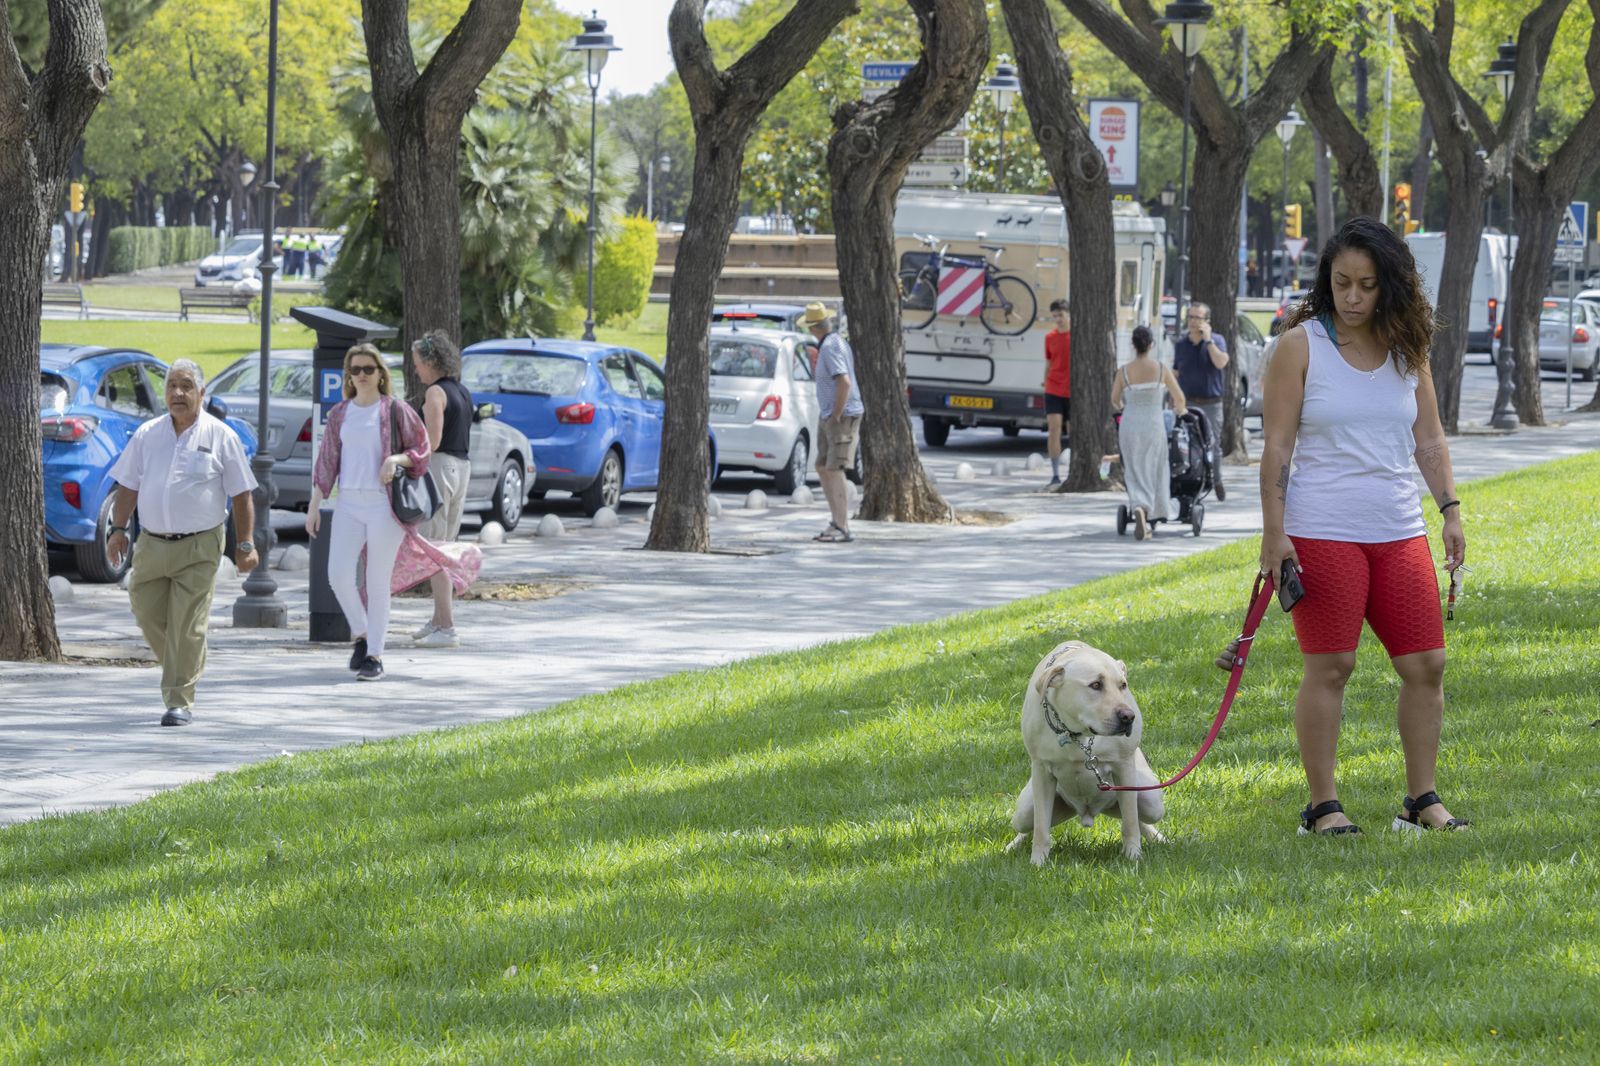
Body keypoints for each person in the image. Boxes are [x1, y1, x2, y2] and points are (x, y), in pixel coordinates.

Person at [1256, 215, 1468, 836]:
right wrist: (1275, 534)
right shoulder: (1300, 346)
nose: (1352, 297)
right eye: (1341, 282)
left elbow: (1427, 436)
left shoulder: (1409, 346)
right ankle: (1323, 805)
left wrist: (1450, 510)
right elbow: (1276, 450)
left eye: (1367, 285)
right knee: (1333, 666)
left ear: (1390, 286)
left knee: (1426, 663)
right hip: (1322, 529)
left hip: (1399, 528)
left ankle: (1419, 801)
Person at [106, 359, 259, 726]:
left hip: (200, 546)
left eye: (187, 385)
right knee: (145, 609)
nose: (178, 392)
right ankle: (183, 661)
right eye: (172, 385)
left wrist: (245, 544)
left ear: (202, 393)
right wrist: (118, 529)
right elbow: (128, 485)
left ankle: (179, 700)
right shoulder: (147, 434)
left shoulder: (222, 436)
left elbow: (241, 495)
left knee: (187, 627)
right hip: (152, 545)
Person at [305, 343, 431, 681]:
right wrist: (315, 506)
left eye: (368, 369)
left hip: (382, 504)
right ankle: (361, 633)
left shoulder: (394, 409)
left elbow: (421, 448)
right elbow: (327, 462)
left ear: (380, 374)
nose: (361, 375)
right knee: (338, 576)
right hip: (347, 502)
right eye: (355, 370)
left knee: (377, 582)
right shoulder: (340, 413)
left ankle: (374, 654)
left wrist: (395, 459)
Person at [411, 330, 474, 649]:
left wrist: (406, 459)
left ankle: (446, 625)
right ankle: (438, 617)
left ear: (431, 361)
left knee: (434, 547)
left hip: (440, 467)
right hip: (461, 467)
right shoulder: (461, 391)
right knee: (445, 545)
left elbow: (430, 443)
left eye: (419, 363)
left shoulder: (435, 394)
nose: (416, 370)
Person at [1111, 325, 1186, 540]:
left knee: (1133, 469)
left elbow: (1114, 400)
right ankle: (1151, 509)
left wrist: (1125, 407)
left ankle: (1138, 506)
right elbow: (1179, 398)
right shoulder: (1161, 369)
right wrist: (1180, 411)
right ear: (1151, 344)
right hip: (1153, 424)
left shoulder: (1124, 371)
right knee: (1155, 466)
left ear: (1133, 345)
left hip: (1130, 423)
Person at [802, 302, 862, 543]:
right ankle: (836, 521)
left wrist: (837, 413)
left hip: (841, 415)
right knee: (822, 466)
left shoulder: (830, 347)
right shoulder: (832, 342)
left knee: (835, 469)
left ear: (813, 328)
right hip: (830, 414)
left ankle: (842, 526)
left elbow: (844, 382)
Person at [1171, 301, 1230, 500]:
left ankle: (1217, 480)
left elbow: (1221, 362)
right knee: (1185, 444)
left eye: (1198, 318)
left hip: (1212, 403)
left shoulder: (1217, 340)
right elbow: (1175, 373)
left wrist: (1208, 341)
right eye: (1191, 317)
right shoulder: (1181, 344)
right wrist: (1173, 399)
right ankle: (1191, 481)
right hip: (1188, 403)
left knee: (1212, 444)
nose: (1193, 321)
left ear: (1206, 321)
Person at [1042, 298, 1071, 487]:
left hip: (1074, 391)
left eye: (1060, 315)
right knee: (1054, 430)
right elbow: (1049, 362)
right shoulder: (1049, 337)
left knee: (1075, 432)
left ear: (1068, 314)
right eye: (1054, 316)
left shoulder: (1077, 335)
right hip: (1053, 388)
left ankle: (1073, 471)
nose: (1058, 319)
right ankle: (1055, 474)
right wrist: (1044, 381)